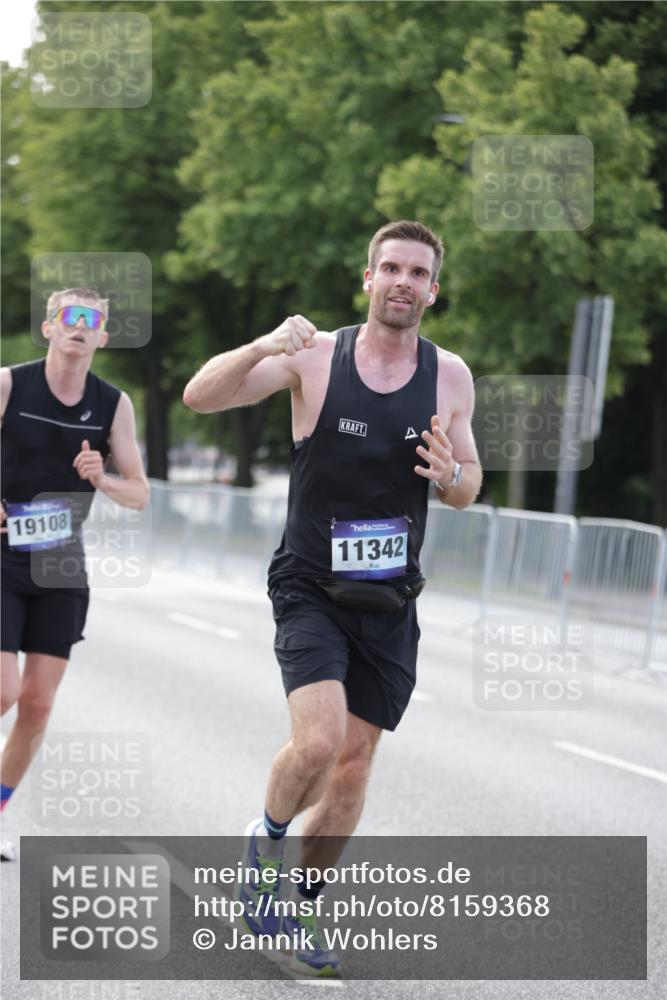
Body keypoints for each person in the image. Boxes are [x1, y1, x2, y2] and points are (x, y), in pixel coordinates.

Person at [183, 220, 482, 975]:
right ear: (367, 278)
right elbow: (198, 397)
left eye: (418, 272)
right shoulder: (314, 356)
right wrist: (262, 345)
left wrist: (450, 475)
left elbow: (467, 487)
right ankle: (266, 840)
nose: (403, 282)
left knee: (351, 768)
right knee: (317, 742)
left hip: (389, 598)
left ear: (433, 290)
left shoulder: (449, 376)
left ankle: (300, 907)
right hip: (309, 583)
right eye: (391, 268)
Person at [0, 287, 149, 860]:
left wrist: (101, 478)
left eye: (92, 321)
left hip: (61, 561)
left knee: (37, 704)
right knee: (6, 691)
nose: (80, 328)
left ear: (104, 336)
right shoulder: (12, 383)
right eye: (71, 317)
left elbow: (138, 494)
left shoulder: (113, 404)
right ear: (49, 328)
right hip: (6, 555)